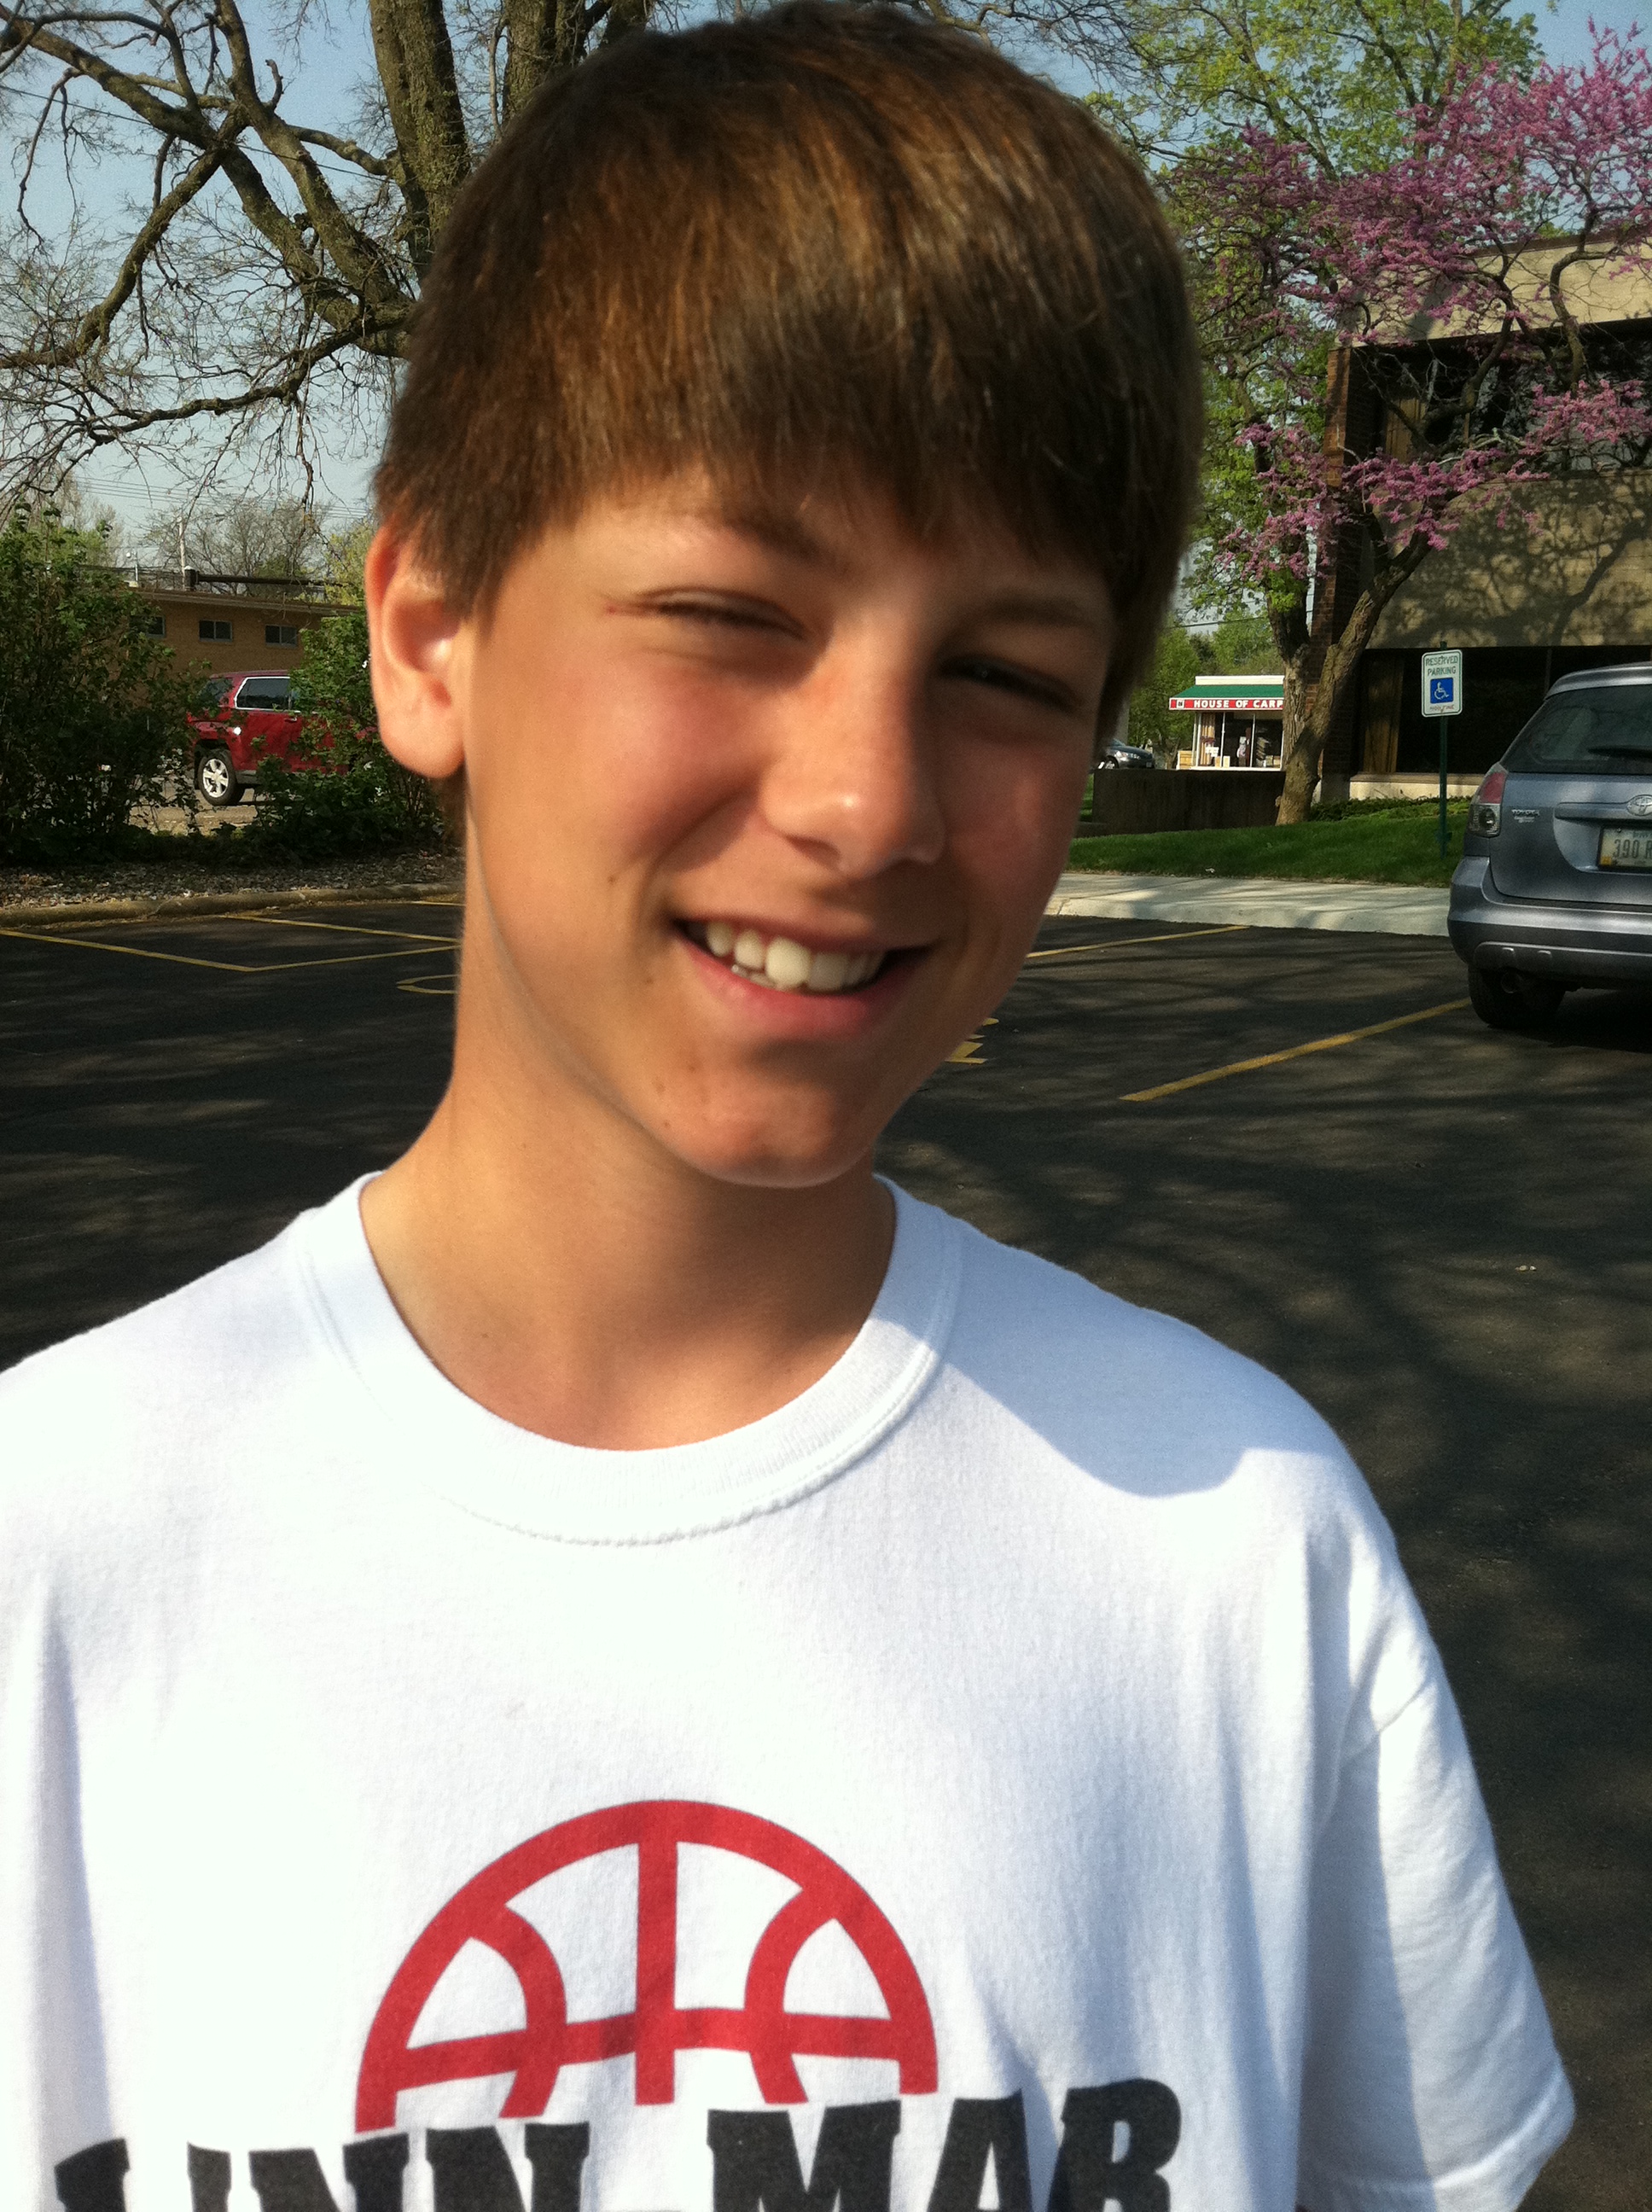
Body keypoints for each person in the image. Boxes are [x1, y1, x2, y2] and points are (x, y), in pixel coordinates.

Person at [0, 10, 1572, 2212]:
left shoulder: (1235, 1548)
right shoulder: (57, 1560)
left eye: (1006, 675)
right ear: (430, 632)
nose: (865, 803)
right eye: (731, 613)